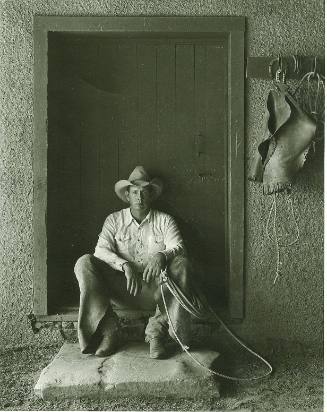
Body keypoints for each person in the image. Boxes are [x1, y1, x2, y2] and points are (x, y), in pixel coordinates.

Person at [74, 166, 196, 359]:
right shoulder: (114, 220)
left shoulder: (165, 220)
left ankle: (157, 332)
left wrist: (161, 256)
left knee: (182, 264)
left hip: (158, 292)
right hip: (124, 289)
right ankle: (110, 330)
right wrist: (124, 265)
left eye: (144, 192)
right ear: (127, 196)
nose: (139, 198)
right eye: (134, 192)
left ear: (151, 195)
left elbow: (179, 246)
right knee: (84, 263)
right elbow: (100, 250)